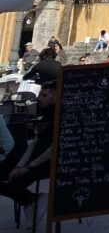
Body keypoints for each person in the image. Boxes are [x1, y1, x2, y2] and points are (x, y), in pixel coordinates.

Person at [0, 79, 56, 209]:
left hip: (46, 164)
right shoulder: (44, 115)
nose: (39, 98)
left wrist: (28, 167)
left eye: (44, 95)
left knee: (11, 184)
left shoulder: (59, 116)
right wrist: (20, 165)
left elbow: (52, 150)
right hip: (32, 162)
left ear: (56, 96)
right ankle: (32, 201)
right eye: (40, 95)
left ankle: (32, 201)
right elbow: (35, 143)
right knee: (8, 179)